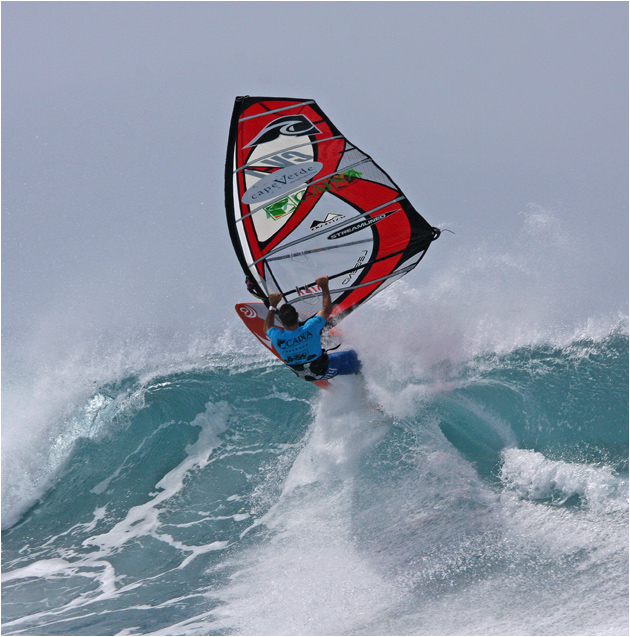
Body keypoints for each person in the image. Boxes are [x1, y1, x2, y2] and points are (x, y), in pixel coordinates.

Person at [264, 276, 361, 382]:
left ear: (282, 322)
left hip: (305, 376)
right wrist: (324, 286)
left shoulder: (276, 336)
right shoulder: (310, 327)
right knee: (359, 356)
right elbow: (327, 310)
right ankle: (362, 376)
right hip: (324, 370)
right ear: (297, 315)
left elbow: (267, 327)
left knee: (322, 343)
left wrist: (272, 305)